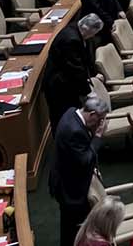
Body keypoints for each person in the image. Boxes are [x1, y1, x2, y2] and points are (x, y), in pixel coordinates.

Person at [50, 94, 107, 246]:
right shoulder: (74, 131)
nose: (101, 124)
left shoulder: (71, 112)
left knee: (69, 226)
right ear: (92, 114)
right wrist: (98, 137)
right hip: (70, 187)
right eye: (100, 119)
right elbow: (85, 160)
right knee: (74, 227)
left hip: (65, 176)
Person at [45, 14, 103, 121]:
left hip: (67, 81)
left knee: (73, 114)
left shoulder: (77, 29)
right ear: (86, 28)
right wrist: (88, 92)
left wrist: (93, 74)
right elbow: (75, 68)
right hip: (59, 86)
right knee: (63, 117)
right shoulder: (71, 40)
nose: (92, 36)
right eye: (92, 33)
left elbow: (85, 59)